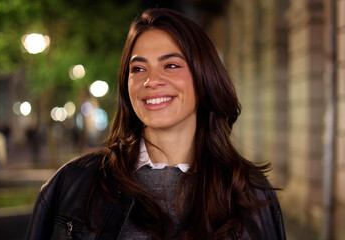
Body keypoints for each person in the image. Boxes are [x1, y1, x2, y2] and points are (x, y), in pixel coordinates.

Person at [26, 8, 286, 240]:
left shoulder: (250, 193)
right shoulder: (72, 185)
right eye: (138, 69)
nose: (151, 81)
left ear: (204, 77)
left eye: (171, 65)